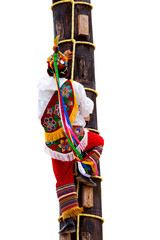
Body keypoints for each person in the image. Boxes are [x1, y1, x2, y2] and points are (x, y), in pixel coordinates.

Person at [38, 37, 104, 234]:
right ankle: (85, 167)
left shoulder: (42, 88)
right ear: (65, 70)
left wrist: (60, 60)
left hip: (54, 144)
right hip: (75, 138)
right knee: (98, 142)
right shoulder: (75, 87)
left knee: (63, 178)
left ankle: (69, 221)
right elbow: (86, 111)